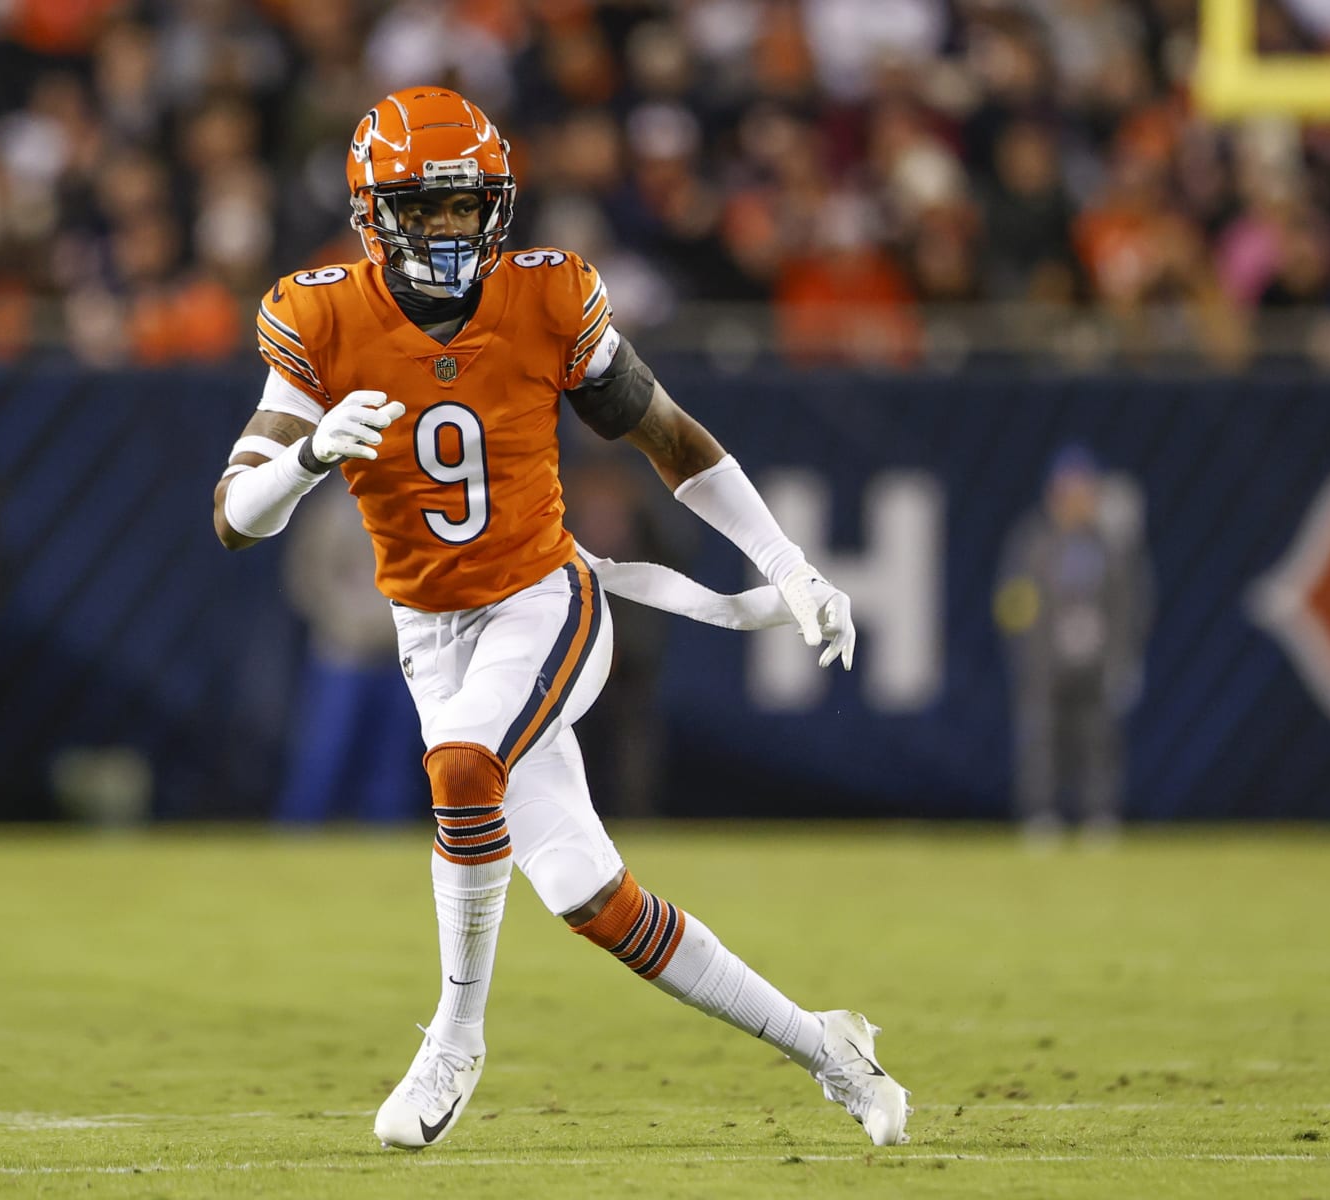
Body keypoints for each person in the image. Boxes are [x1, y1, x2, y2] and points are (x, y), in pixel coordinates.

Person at [210, 87, 909, 1151]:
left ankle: (454, 1035)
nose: (449, 230)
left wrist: (790, 567)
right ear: (371, 212)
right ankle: (831, 1049)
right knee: (589, 895)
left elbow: (670, 440)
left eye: (465, 206)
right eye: (424, 207)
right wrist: (306, 458)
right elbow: (231, 518)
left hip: (545, 598)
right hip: (426, 631)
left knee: (460, 768)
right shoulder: (321, 316)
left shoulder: (546, 297)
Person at [995, 444, 1153, 845]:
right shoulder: (1033, 542)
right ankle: (1041, 815)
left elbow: (1130, 603)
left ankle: (1099, 816)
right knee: (1042, 738)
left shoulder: (1110, 545)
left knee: (1098, 739)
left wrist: (1122, 655)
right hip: (1048, 658)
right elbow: (1013, 600)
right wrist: (1027, 649)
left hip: (1096, 659)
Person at [274, 482, 427, 823]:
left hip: (400, 654)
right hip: (342, 654)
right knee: (324, 756)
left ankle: (384, 849)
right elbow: (307, 575)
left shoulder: (416, 504)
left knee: (392, 767)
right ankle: (297, 841)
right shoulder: (335, 509)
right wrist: (343, 620)